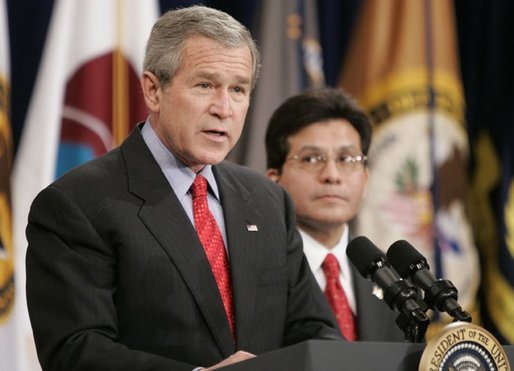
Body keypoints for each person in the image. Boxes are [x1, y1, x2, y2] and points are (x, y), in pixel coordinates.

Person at [25, 6, 342, 371]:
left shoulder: (268, 200)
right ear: (153, 90)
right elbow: (76, 350)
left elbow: (313, 329)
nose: (224, 108)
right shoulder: (78, 204)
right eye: (205, 84)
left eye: (238, 89)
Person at [265, 87, 405, 342]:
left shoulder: (394, 278)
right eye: (310, 159)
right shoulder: (256, 274)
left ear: (365, 178)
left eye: (347, 159)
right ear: (274, 181)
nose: (332, 174)